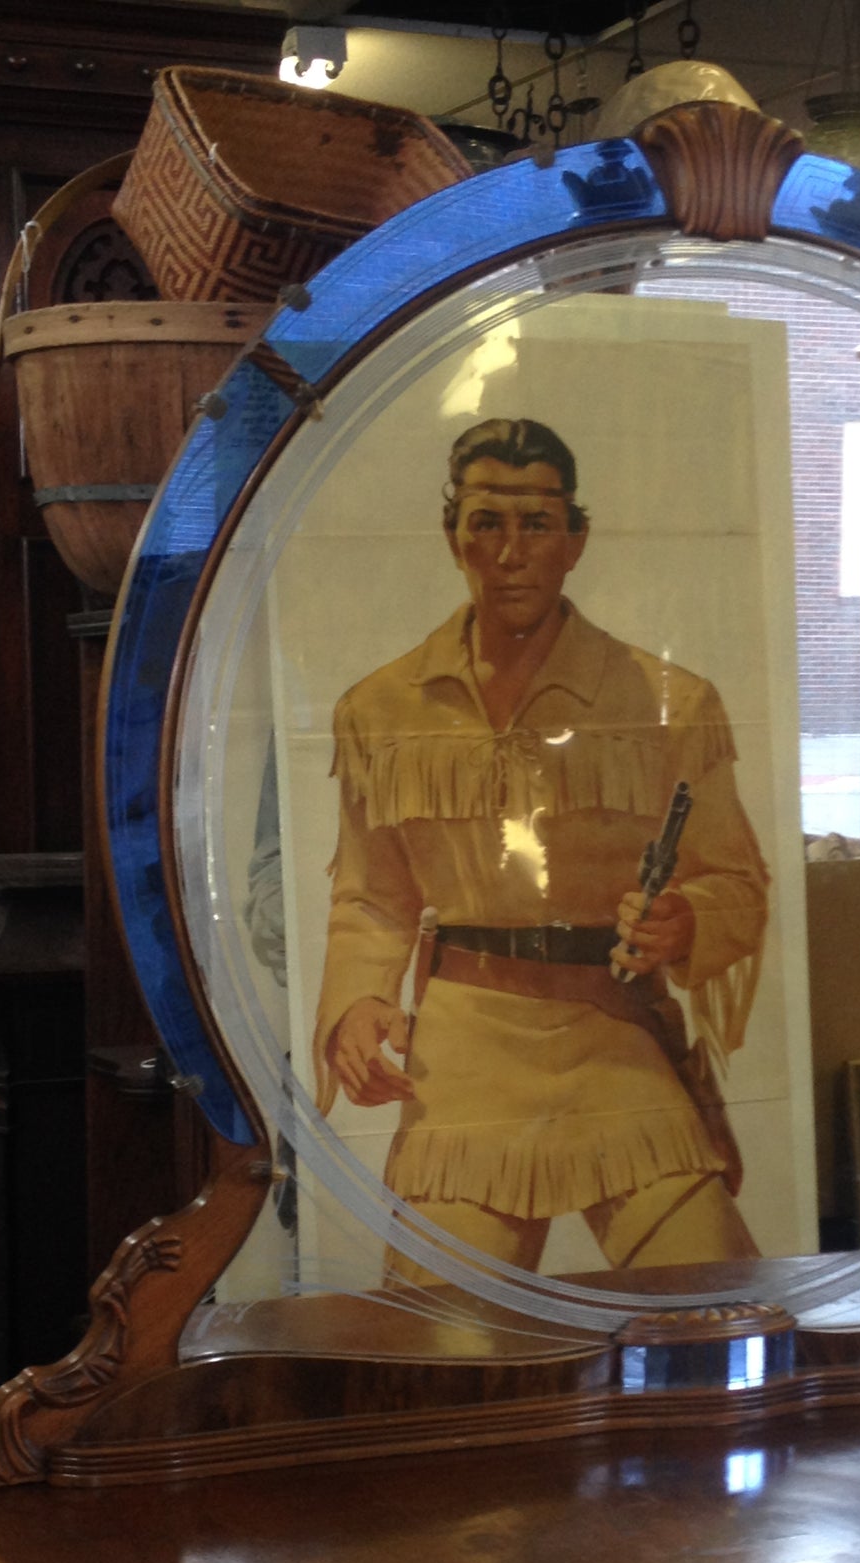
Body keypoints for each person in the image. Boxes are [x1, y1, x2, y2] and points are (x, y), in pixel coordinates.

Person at [314, 417, 769, 1285]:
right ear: (453, 537)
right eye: (487, 522)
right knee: (442, 1349)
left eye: (537, 524)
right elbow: (373, 897)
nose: (511, 551)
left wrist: (683, 922)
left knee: (713, 1316)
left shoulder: (670, 702)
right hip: (466, 1055)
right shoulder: (378, 709)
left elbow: (735, 882)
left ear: (576, 540)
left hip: (617, 1039)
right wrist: (358, 1005)